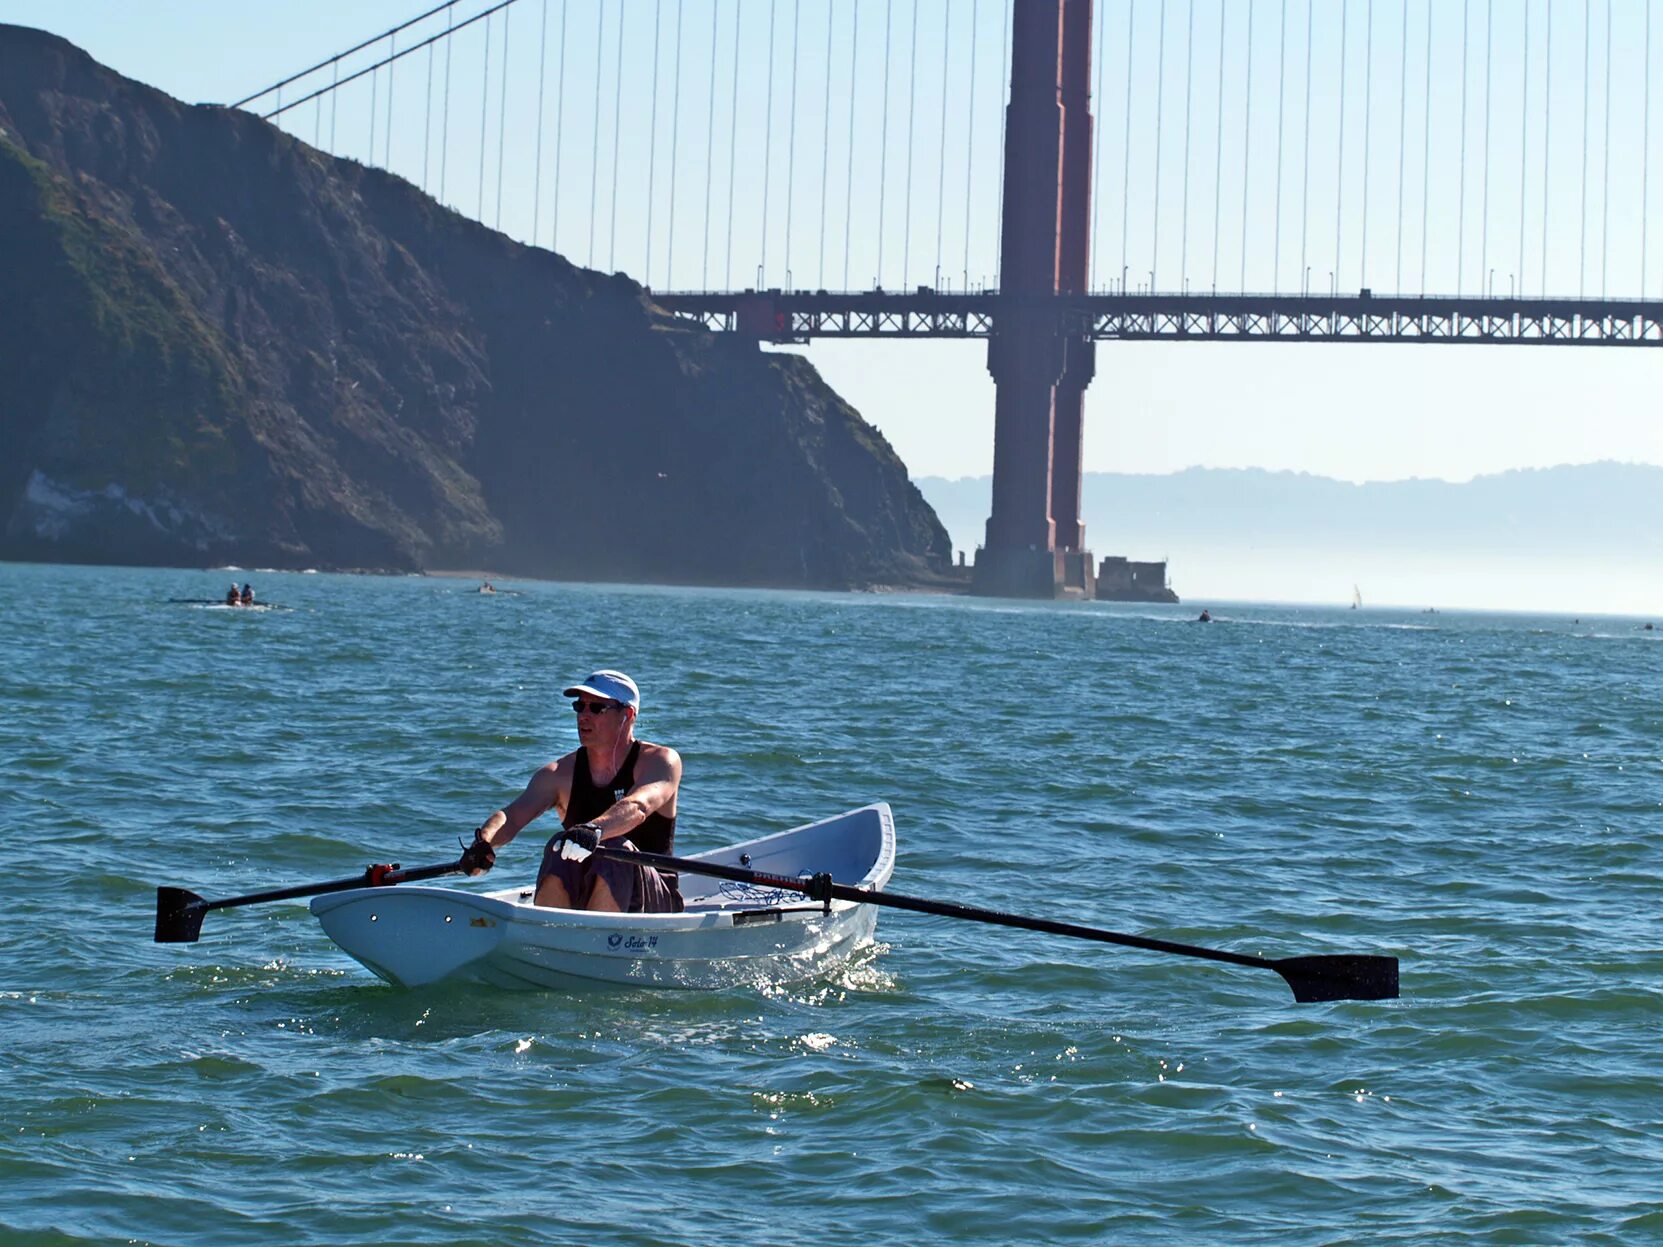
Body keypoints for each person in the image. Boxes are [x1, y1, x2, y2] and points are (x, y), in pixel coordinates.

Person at [461, 669, 683, 913]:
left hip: (654, 902)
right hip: (584, 896)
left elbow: (638, 806)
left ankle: (593, 936)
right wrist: (484, 842)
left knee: (614, 849)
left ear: (627, 714)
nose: (584, 716)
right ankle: (553, 932)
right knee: (558, 844)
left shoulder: (660, 761)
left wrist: (593, 831)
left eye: (596, 708)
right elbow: (512, 817)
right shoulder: (558, 774)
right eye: (580, 707)